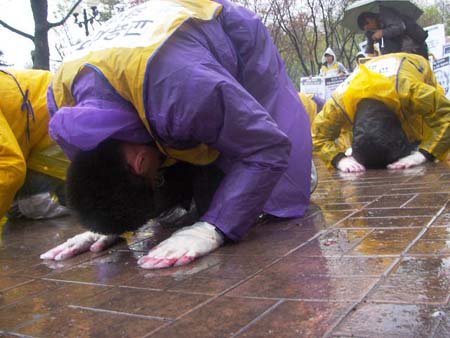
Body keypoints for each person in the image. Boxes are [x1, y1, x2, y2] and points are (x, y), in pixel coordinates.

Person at [40, 0, 313, 269]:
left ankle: (302, 168)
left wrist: (214, 227)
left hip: (230, 36)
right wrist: (107, 220)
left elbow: (267, 146)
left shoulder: (189, 93)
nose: (159, 175)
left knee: (272, 176)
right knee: (198, 182)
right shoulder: (62, 102)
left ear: (141, 164)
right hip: (164, 59)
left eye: (154, 178)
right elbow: (100, 176)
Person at [311, 52, 450, 173]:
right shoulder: (337, 105)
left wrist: (423, 154)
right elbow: (318, 136)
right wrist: (339, 160)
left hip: (412, 66)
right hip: (376, 80)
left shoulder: (411, 91)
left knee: (422, 130)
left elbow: (445, 115)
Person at [0, 69, 70, 225]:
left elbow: (9, 164)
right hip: (34, 135)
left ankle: (96, 206)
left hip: (58, 118)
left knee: (33, 203)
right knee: (13, 207)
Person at [357, 7, 428, 59]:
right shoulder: (370, 31)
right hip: (396, 54)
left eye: (369, 27)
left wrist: (383, 32)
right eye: (367, 29)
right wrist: (369, 55)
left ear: (370, 20)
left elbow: (400, 27)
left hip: (413, 46)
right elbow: (369, 47)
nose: (370, 30)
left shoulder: (386, 15)